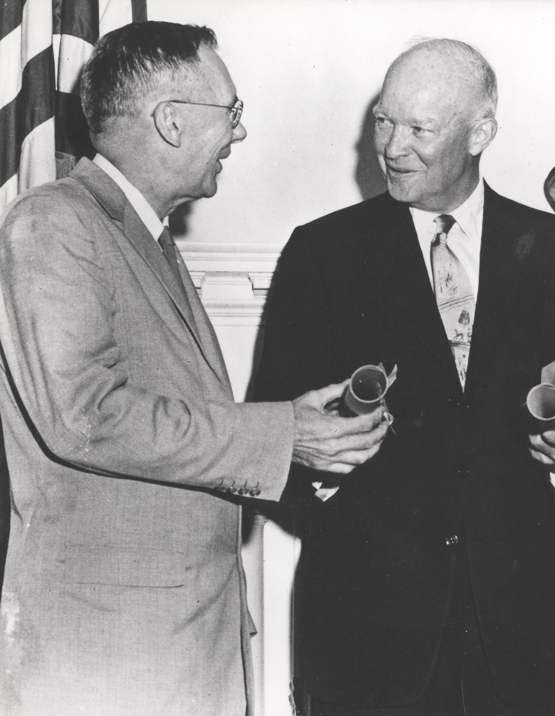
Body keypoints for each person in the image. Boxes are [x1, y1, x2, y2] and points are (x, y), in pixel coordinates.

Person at [0, 21, 387, 716]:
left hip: (178, 645)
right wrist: (282, 435)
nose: (240, 132)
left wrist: (298, 437)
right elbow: (86, 415)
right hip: (110, 657)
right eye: (230, 111)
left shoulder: (145, 238)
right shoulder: (54, 222)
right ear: (171, 121)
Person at [254, 38, 555, 716]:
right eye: (383, 121)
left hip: (513, 634)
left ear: (480, 133)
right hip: (365, 634)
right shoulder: (322, 252)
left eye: (419, 129)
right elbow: (271, 430)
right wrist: (328, 472)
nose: (391, 146)